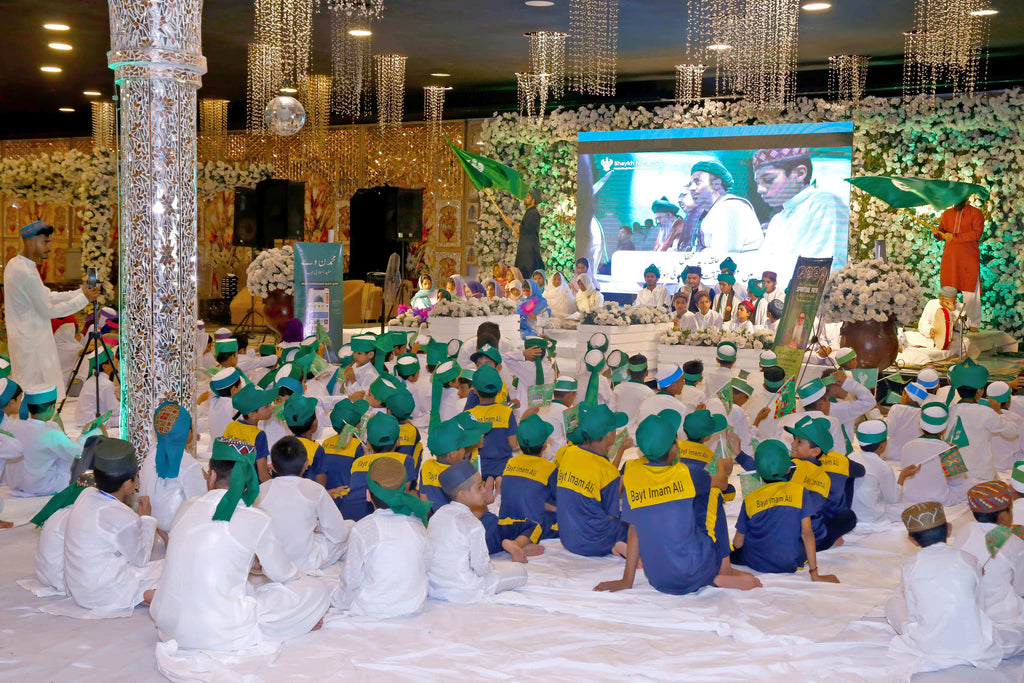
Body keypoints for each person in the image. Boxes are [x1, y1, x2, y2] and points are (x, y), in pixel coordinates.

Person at [151, 437, 329, 651]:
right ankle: (294, 622)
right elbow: (286, 575)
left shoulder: (186, 507)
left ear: (212, 475)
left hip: (170, 626)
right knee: (314, 588)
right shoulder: (256, 518)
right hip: (222, 630)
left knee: (244, 589)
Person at [596, 411, 760, 594]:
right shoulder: (686, 473)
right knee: (712, 494)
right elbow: (721, 484)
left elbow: (633, 532)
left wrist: (627, 581)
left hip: (657, 578)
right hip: (695, 569)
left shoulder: (632, 476)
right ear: (674, 448)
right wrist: (722, 467)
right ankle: (722, 569)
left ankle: (710, 575)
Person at [885, 502, 1003, 672]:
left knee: (893, 603)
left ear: (911, 540)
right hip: (974, 642)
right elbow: (978, 600)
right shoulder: (968, 558)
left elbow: (913, 611)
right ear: (949, 529)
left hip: (928, 645)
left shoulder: (910, 564)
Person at [63, 436, 162, 612]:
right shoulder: (122, 515)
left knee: (160, 569)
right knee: (168, 571)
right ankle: (146, 595)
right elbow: (141, 560)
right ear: (127, 484)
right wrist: (146, 519)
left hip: (79, 588)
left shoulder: (85, 495)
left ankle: (143, 595)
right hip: (102, 591)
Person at [3, 221, 100, 399]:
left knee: (34, 391)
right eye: (45, 242)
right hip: (31, 343)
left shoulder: (16, 264)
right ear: (31, 241)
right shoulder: (25, 272)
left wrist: (80, 292)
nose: (49, 247)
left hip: (29, 340)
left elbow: (46, 295)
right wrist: (84, 299)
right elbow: (48, 310)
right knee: (35, 393)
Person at [331, 457, 431, 618]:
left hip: (372, 607)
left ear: (368, 495)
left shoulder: (363, 527)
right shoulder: (416, 524)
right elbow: (426, 563)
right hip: (413, 604)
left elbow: (351, 580)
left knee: (329, 591)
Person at [730, 440, 836, 580]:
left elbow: (738, 543)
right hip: (788, 562)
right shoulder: (800, 492)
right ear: (788, 469)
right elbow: (807, 534)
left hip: (755, 562)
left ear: (757, 472)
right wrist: (814, 573)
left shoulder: (750, 499)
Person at [428, 460, 529, 603]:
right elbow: (482, 569)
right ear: (463, 495)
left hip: (435, 588)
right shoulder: (472, 523)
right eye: (479, 487)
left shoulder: (438, 515)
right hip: (465, 590)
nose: (484, 490)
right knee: (520, 572)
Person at [256, 436, 352, 575]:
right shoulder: (315, 489)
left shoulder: (261, 490)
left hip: (270, 563)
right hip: (305, 562)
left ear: (273, 466)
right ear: (306, 464)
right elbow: (338, 534)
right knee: (350, 527)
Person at [555, 403, 630, 557]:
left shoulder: (568, 453)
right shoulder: (608, 471)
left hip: (567, 538)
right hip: (593, 542)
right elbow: (611, 515)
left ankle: (615, 546)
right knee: (636, 523)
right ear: (609, 435)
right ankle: (615, 545)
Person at [755, 148, 849, 270]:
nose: (760, 189)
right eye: (757, 182)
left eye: (768, 180)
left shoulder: (825, 203)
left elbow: (822, 271)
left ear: (800, 174)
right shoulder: (777, 220)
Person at [953, 481, 1024, 640]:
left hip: (965, 615)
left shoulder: (964, 531)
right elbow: (1021, 589)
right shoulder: (1014, 543)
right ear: (1004, 516)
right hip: (1002, 621)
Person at [784, 415, 859, 550]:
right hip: (817, 535)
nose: (792, 444)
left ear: (815, 451)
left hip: (791, 533)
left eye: (799, 442)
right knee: (847, 516)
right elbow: (860, 471)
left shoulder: (791, 466)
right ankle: (831, 537)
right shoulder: (832, 466)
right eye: (794, 440)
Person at [6, 385, 95, 497]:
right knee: (77, 459)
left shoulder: (13, 426)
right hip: (42, 486)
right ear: (51, 408)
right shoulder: (51, 434)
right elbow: (78, 454)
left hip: (16, 484)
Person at [139, 401, 206, 537]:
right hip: (177, 533)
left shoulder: (151, 454)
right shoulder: (188, 464)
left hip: (151, 527)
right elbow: (200, 505)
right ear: (185, 432)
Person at [947, 359, 1018, 481]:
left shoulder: (949, 411)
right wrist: (999, 413)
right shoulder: (986, 413)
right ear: (980, 391)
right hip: (981, 477)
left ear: (958, 391)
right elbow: (1012, 432)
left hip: (954, 476)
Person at [342, 413, 412, 522]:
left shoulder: (358, 462)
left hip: (351, 517)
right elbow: (405, 492)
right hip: (382, 519)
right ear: (398, 441)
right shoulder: (405, 460)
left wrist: (367, 459)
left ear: (368, 444)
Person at [687, 160, 762, 253]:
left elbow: (723, 255)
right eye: (691, 184)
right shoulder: (713, 210)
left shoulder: (731, 207)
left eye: (697, 182)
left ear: (717, 184)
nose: (691, 188)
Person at [935, 197, 984, 329]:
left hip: (968, 256)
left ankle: (973, 323)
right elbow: (942, 232)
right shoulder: (947, 213)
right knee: (948, 289)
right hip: (950, 256)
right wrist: (937, 233)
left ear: (967, 197)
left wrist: (955, 237)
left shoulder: (976, 213)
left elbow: (977, 233)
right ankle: (949, 322)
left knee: (970, 291)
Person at [465, 365, 519, 479]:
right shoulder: (507, 412)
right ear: (499, 390)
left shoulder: (469, 415)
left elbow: (465, 447)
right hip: (503, 470)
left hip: (478, 470)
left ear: (474, 391)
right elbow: (513, 443)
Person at [224, 384, 276, 482]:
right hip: (252, 486)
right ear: (253, 415)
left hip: (235, 481)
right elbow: (263, 476)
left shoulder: (231, 426)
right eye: (267, 406)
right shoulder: (259, 435)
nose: (272, 408)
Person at [75, 347, 120, 430]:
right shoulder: (106, 384)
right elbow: (114, 410)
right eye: (113, 360)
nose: (116, 362)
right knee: (128, 419)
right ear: (105, 366)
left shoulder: (91, 379)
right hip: (92, 422)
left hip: (83, 421)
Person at [509, 188, 545, 276]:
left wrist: (513, 223)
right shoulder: (530, 212)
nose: (525, 198)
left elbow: (529, 230)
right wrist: (519, 233)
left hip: (529, 253)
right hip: (525, 251)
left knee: (527, 275)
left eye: (528, 197)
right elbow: (526, 231)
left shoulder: (534, 213)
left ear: (533, 200)